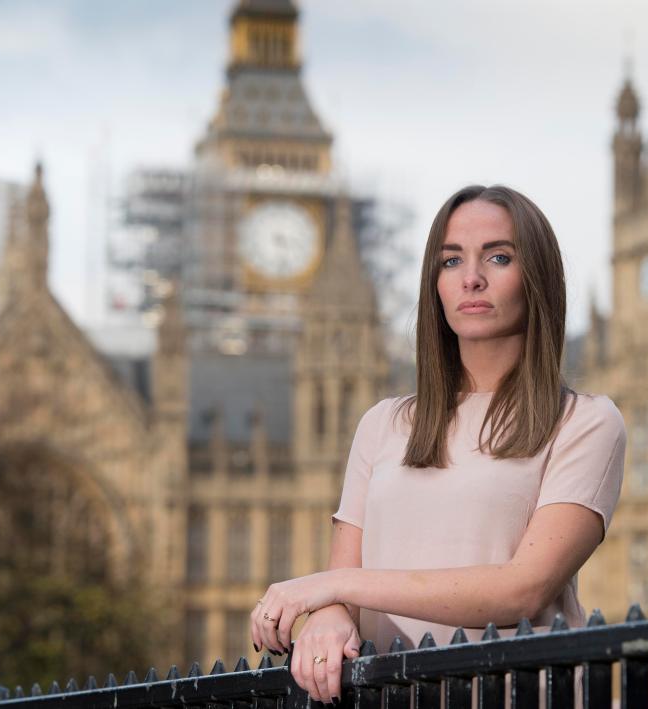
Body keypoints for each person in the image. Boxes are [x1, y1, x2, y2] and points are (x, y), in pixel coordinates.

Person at [250, 185, 626, 705]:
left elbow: (523, 590)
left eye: (498, 256)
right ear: (435, 284)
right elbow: (344, 585)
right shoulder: (383, 424)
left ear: (536, 277)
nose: (471, 277)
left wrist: (333, 589)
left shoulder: (584, 423)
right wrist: (330, 616)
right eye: (451, 260)